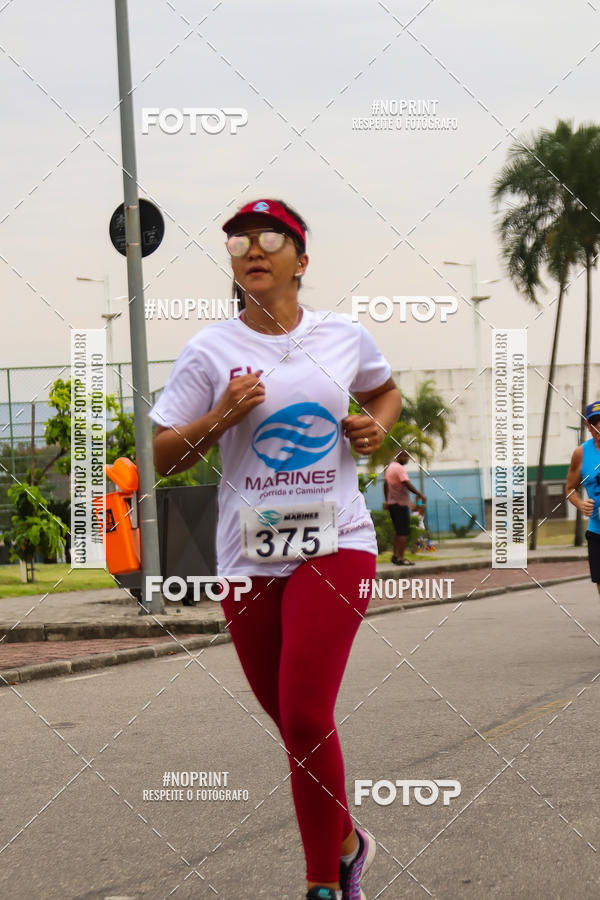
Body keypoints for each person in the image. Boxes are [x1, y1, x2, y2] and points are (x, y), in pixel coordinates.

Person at [149, 199, 402, 900]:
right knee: (293, 725)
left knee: (304, 715)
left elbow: (386, 393)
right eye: (238, 242)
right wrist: (222, 416)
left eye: (268, 238)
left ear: (301, 259)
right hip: (246, 558)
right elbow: (161, 455)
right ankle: (348, 843)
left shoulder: (342, 336)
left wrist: (374, 428)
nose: (251, 249)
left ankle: (324, 884)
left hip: (337, 540)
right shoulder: (210, 350)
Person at [565, 401, 600, 597]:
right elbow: (570, 488)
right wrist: (581, 504)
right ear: (588, 425)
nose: (599, 426)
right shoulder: (581, 453)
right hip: (597, 530)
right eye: (595, 421)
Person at [383, 449, 426, 566]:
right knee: (402, 533)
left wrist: (387, 500)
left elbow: (385, 484)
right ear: (400, 456)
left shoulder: (390, 467)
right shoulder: (399, 469)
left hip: (393, 504)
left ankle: (395, 556)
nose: (407, 459)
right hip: (400, 505)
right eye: (406, 457)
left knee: (397, 531)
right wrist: (419, 494)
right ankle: (401, 558)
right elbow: (406, 483)